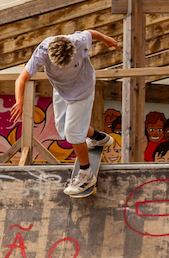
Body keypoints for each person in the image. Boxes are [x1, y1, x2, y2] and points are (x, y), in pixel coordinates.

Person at [11, 29, 119, 196]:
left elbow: (91, 33)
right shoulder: (41, 52)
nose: (63, 67)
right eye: (59, 65)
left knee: (73, 132)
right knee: (63, 130)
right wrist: (19, 100)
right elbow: (22, 78)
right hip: (62, 91)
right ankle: (98, 137)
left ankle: (86, 174)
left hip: (83, 89)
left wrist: (106, 39)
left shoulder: (78, 40)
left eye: (66, 63)